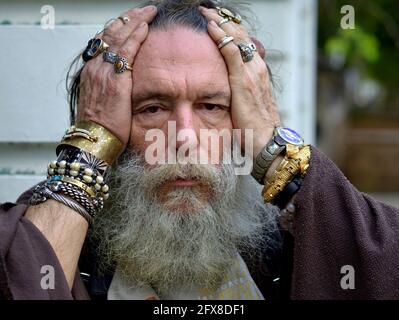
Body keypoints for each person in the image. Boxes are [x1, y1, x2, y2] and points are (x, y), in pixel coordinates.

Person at [1, 0, 398, 300]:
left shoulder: (292, 240)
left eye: (212, 107)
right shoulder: (44, 235)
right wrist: (88, 149)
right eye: (152, 108)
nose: (186, 138)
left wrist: (272, 146)